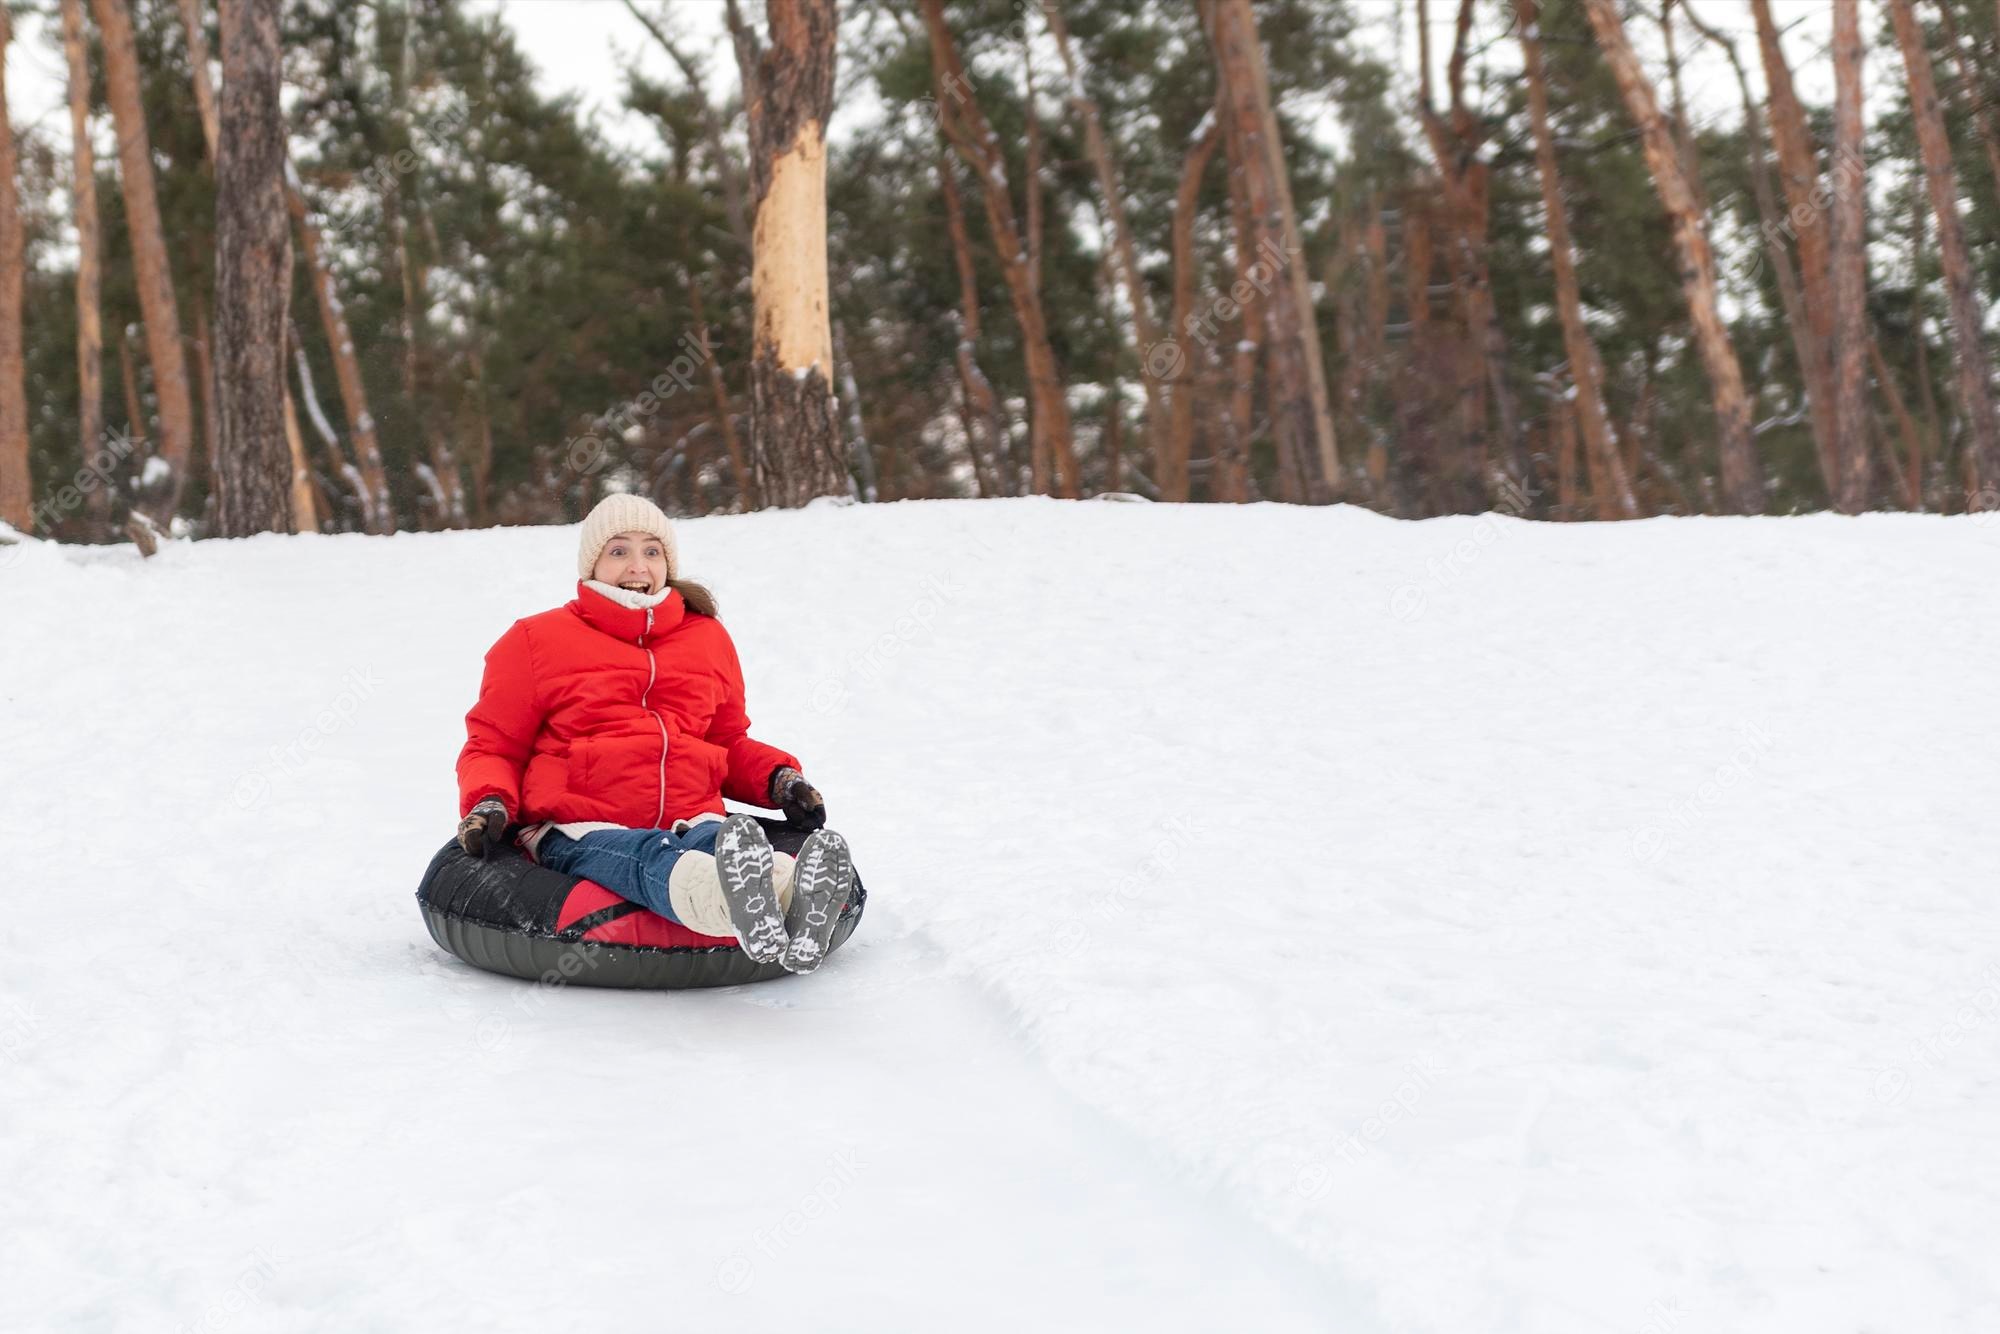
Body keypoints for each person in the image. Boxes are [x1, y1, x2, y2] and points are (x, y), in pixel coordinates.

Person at [452, 493, 852, 975]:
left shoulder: (706, 638)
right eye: (618, 551)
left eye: (652, 551)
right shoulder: (535, 641)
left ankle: (796, 898)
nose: (637, 566)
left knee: (718, 840)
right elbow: (493, 743)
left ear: (668, 562)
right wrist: (488, 801)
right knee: (646, 855)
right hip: (581, 825)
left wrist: (780, 778)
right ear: (592, 563)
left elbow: (726, 741)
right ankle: (731, 908)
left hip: (690, 814)